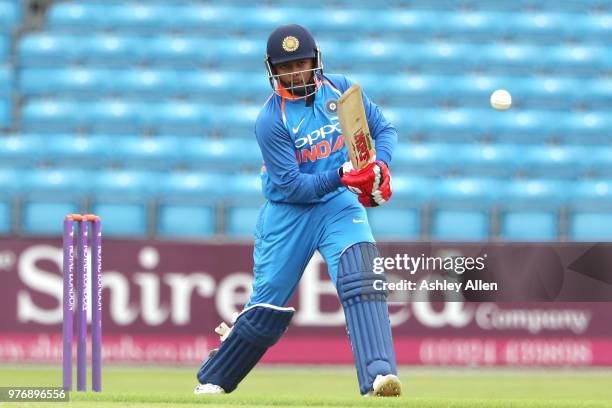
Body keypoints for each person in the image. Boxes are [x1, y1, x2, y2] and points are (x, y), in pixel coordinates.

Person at [195, 24, 400, 397]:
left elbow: (384, 130)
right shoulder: (271, 120)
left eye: (301, 64)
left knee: (362, 275)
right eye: (286, 67)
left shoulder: (341, 90)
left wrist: (379, 165)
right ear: (272, 70)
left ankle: (379, 376)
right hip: (289, 212)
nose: (295, 73)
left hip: (338, 205)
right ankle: (216, 376)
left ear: (315, 61)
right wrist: (343, 175)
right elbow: (292, 186)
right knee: (266, 306)